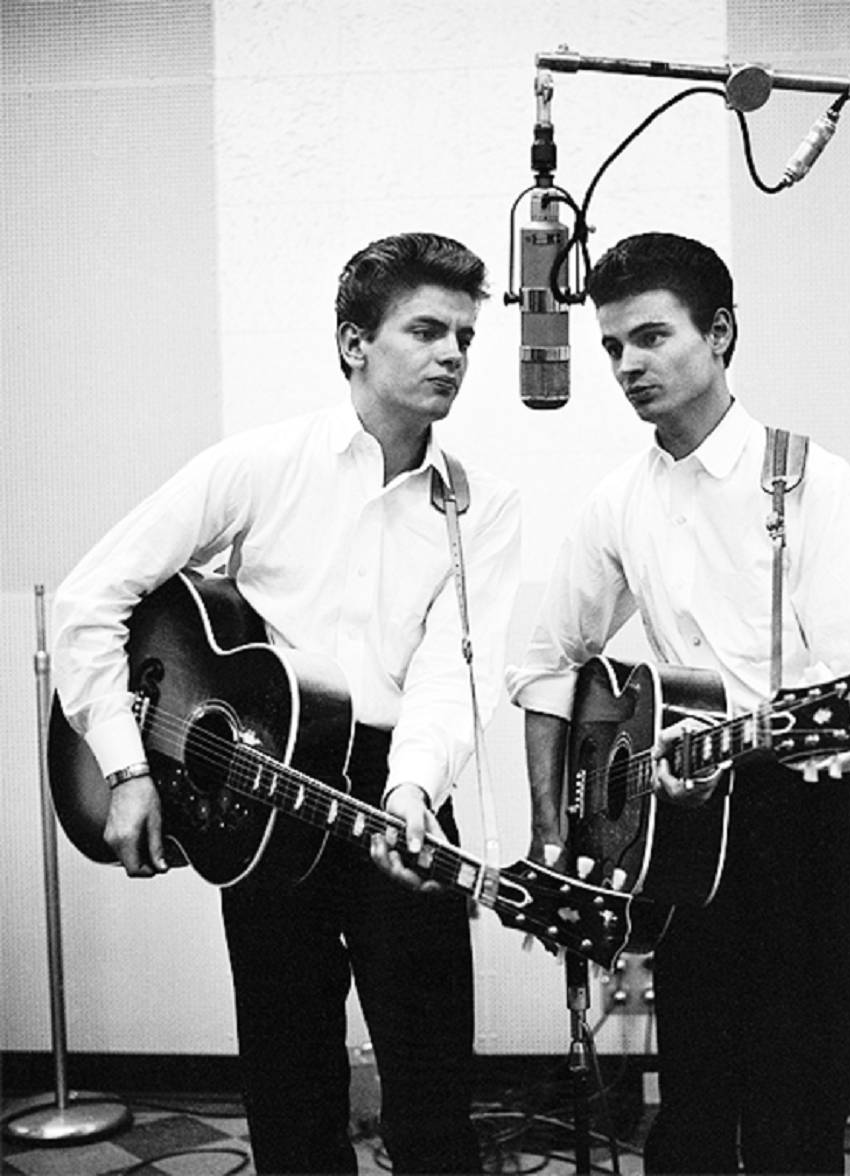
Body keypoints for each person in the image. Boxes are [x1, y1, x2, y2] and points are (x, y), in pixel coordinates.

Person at [52, 231, 522, 1175]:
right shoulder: (259, 465)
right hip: (255, 800)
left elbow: (453, 674)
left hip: (396, 794)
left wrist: (417, 788)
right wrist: (128, 764)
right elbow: (87, 599)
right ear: (355, 342)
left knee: (434, 1104)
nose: (454, 357)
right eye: (427, 331)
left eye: (466, 337)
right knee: (290, 1098)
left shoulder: (482, 504)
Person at [506, 232, 850, 1175]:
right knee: (690, 1115)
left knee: (795, 1123)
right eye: (611, 349)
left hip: (809, 824)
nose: (627, 366)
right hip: (681, 844)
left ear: (718, 333)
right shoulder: (617, 502)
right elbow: (544, 663)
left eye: (649, 338)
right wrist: (560, 831)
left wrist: (729, 753)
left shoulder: (814, 486)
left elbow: (846, 695)